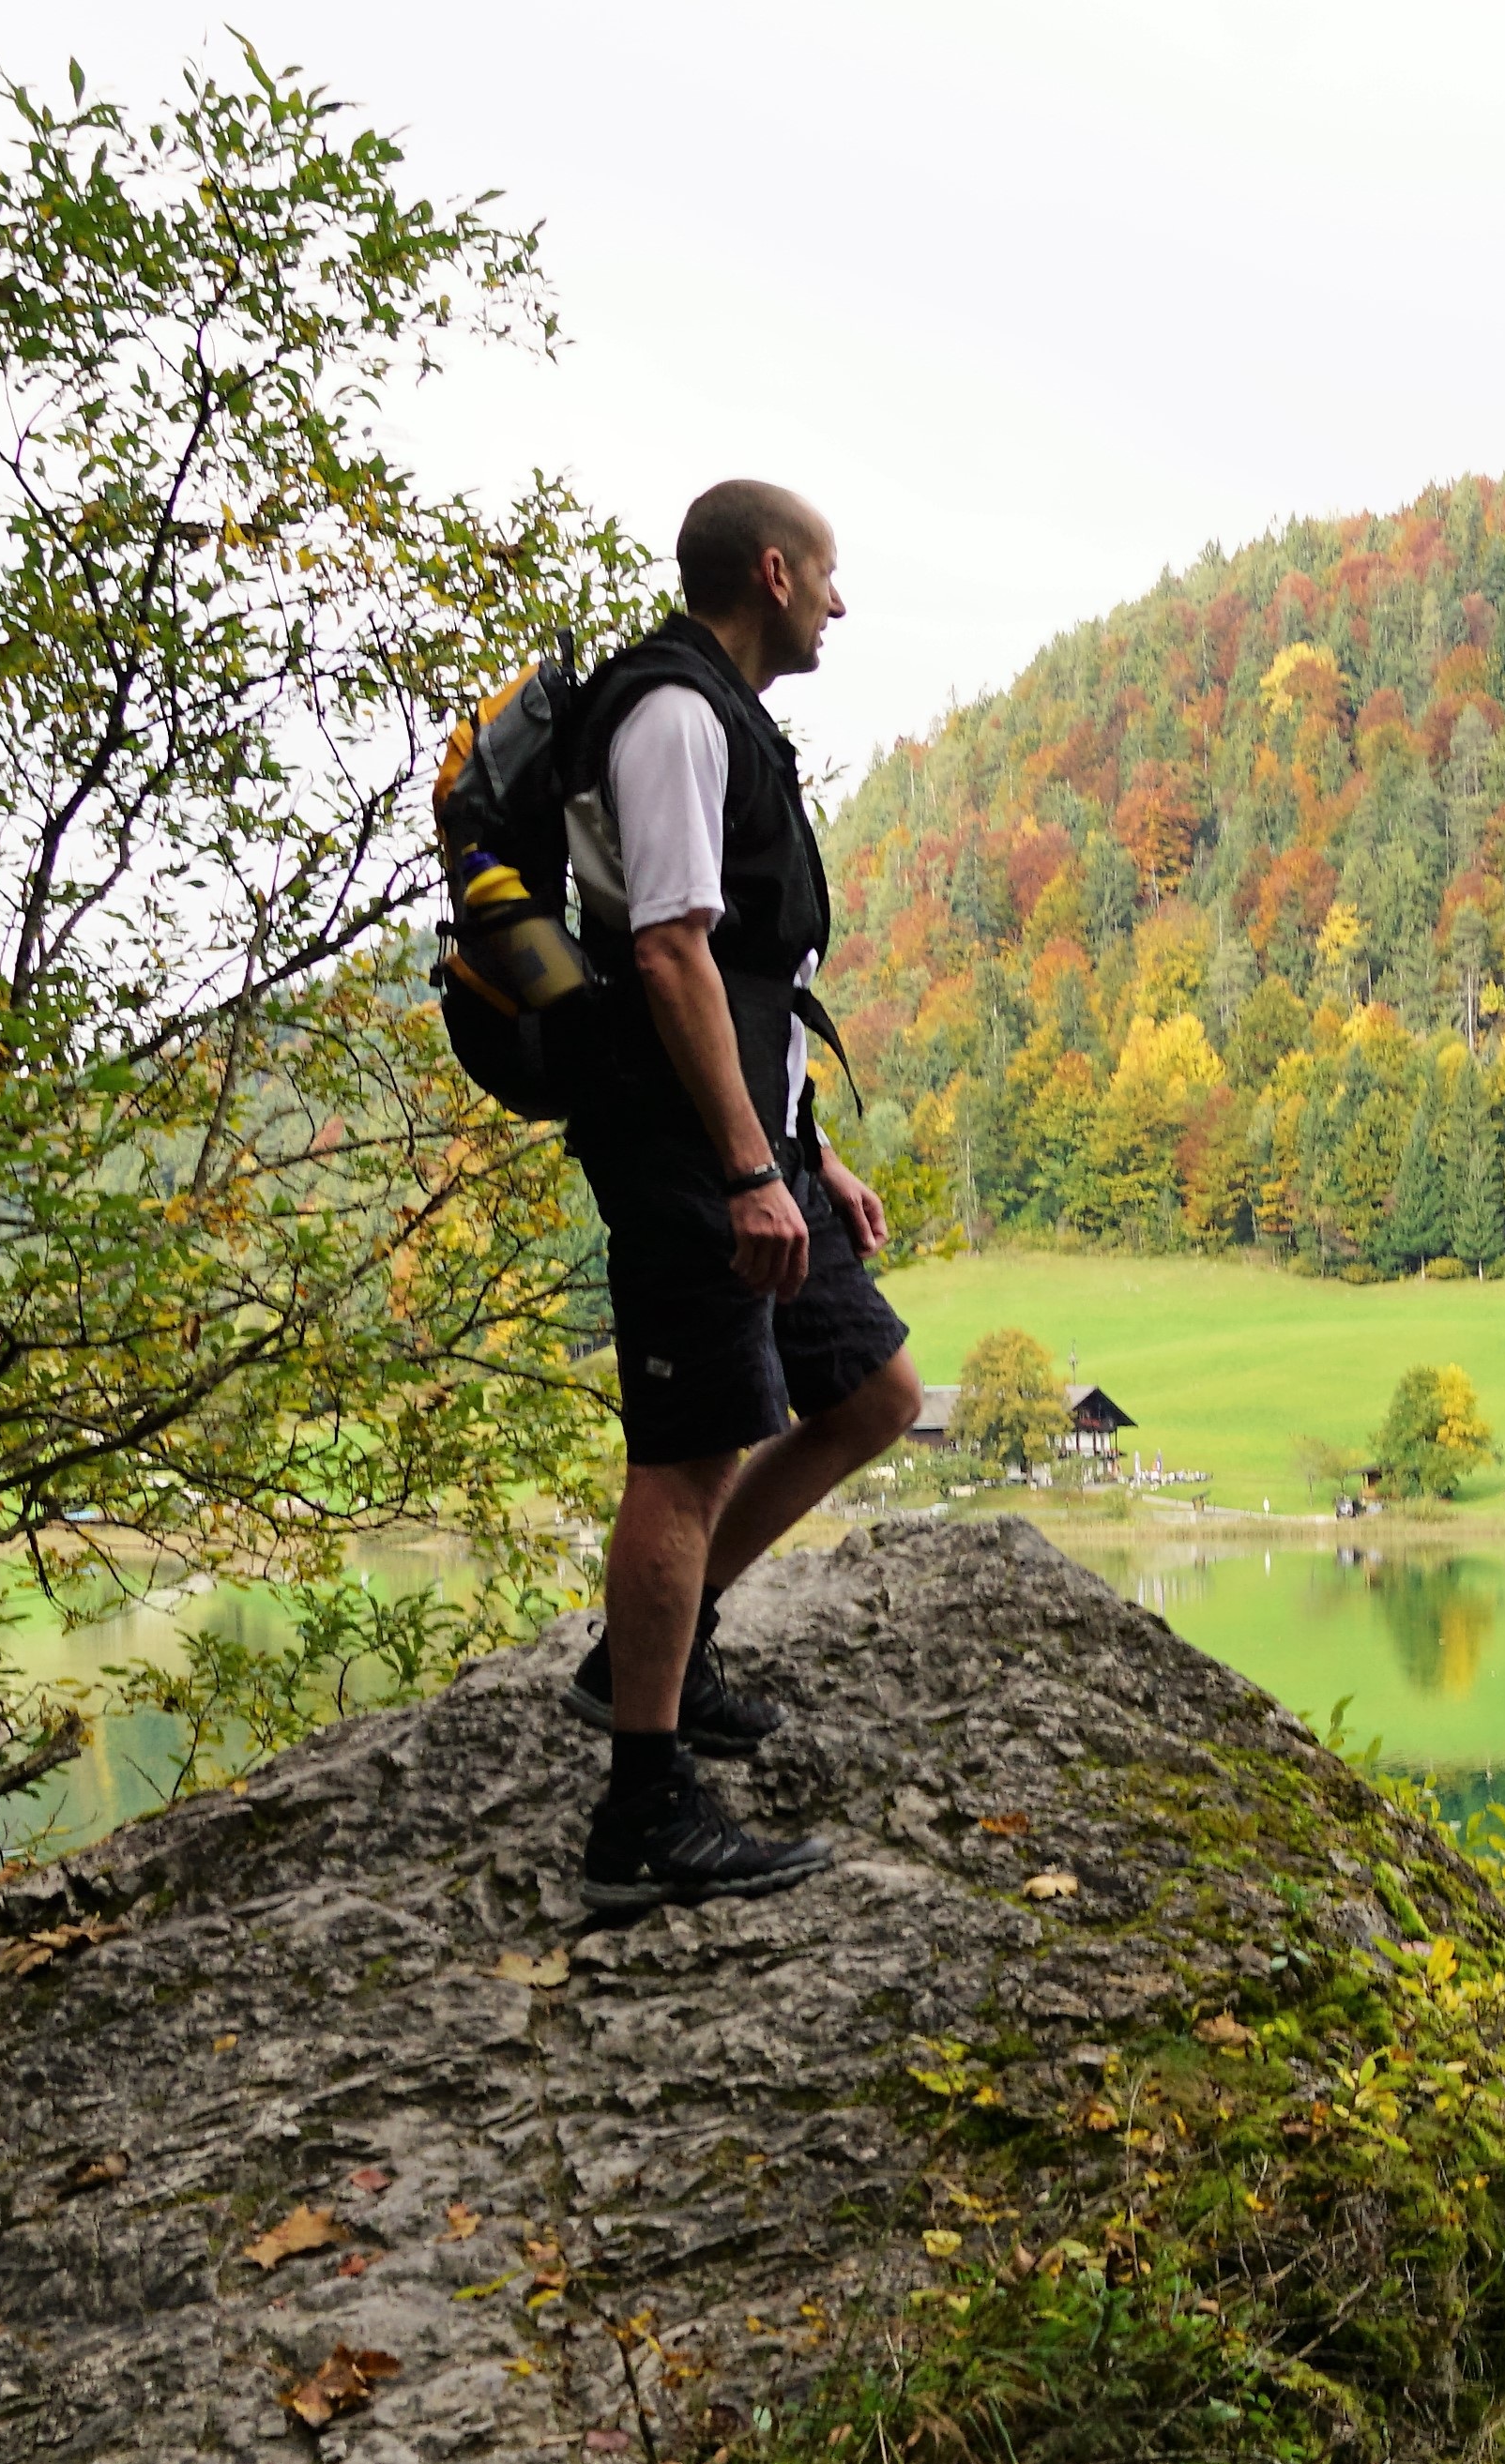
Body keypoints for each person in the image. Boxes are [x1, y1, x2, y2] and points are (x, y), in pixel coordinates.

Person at [553, 477, 920, 1915]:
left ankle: (659, 1649)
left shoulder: (727, 716)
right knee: (690, 1459)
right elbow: (671, 959)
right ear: (772, 574)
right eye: (829, 575)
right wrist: (748, 1170)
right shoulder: (675, 717)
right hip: (690, 1158)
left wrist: (808, 1146)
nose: (842, 602)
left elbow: (756, 983)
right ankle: (641, 1814)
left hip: (757, 1145)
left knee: (874, 1392)